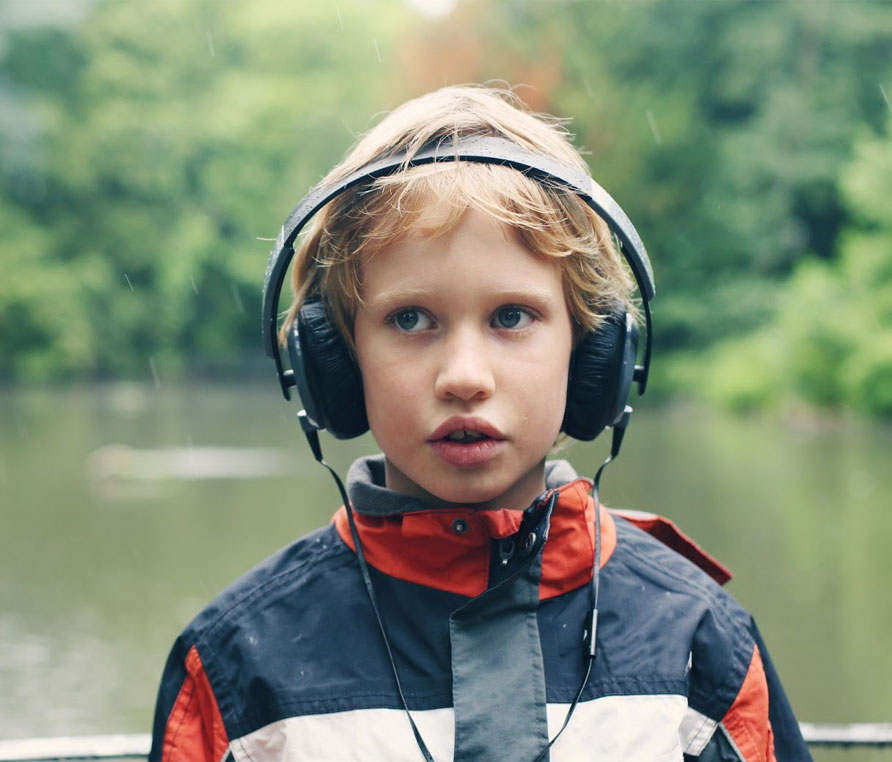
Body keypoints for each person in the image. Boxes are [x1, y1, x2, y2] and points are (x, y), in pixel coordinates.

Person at [149, 85, 812, 762]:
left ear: (593, 352)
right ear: (337, 362)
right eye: (410, 319)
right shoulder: (237, 670)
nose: (464, 376)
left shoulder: (698, 645)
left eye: (511, 317)